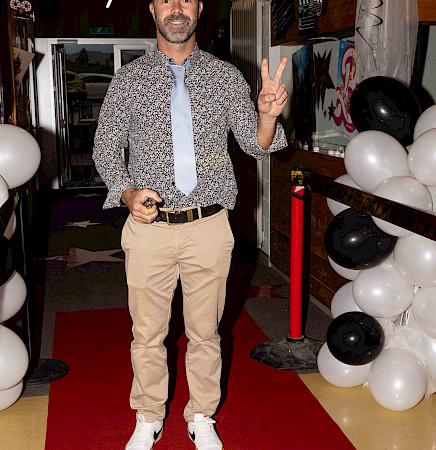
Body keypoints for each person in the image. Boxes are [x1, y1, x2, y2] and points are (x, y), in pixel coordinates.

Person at [93, 1, 289, 449]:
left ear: (199, 7)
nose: (177, 8)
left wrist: (267, 116)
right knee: (147, 335)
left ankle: (201, 415)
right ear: (153, 8)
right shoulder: (128, 80)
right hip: (148, 228)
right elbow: (105, 148)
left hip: (208, 227)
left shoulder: (225, 77)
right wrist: (126, 193)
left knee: (206, 333)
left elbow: (256, 145)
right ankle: (148, 416)